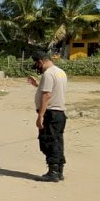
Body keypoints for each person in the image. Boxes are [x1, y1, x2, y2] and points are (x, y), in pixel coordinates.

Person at [28, 51, 68, 182]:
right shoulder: (60, 72)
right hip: (60, 113)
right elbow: (52, 90)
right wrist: (37, 85)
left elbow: (47, 95)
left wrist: (40, 116)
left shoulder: (49, 74)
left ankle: (53, 172)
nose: (37, 67)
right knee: (57, 141)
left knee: (49, 141)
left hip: (51, 112)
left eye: (37, 64)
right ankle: (59, 170)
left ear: (41, 61)